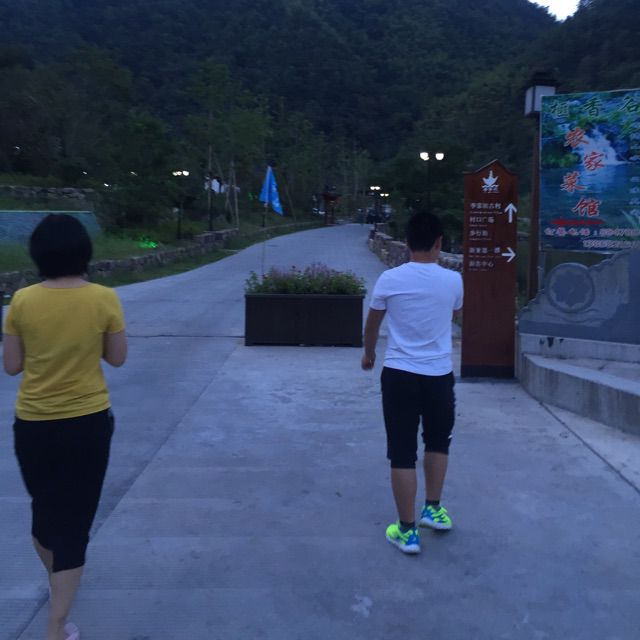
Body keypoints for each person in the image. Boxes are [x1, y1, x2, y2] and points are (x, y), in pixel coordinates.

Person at [3, 214, 127, 640]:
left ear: (38, 254)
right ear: (84, 253)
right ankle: (57, 625)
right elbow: (117, 358)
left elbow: (12, 365)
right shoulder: (104, 298)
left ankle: (60, 583)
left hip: (33, 425)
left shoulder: (22, 301)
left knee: (45, 515)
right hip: (87, 425)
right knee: (75, 523)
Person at [361, 210, 463, 555]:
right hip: (439, 377)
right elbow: (452, 314)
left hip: (399, 375)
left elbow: (373, 324)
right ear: (439, 243)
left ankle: (406, 531)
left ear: (406, 243)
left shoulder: (390, 279)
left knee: (402, 452)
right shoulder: (454, 281)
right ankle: (433, 508)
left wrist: (369, 355)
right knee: (438, 442)